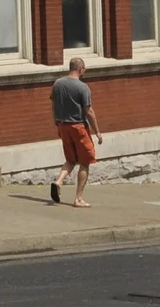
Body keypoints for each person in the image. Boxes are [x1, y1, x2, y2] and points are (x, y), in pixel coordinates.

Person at [48, 53, 102, 207]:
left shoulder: (57, 84)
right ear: (80, 68)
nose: (84, 71)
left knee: (71, 160)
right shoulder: (82, 87)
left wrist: (56, 122)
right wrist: (97, 131)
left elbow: (53, 105)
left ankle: (58, 181)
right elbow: (89, 111)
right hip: (78, 127)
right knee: (85, 162)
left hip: (63, 126)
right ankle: (78, 199)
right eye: (84, 69)